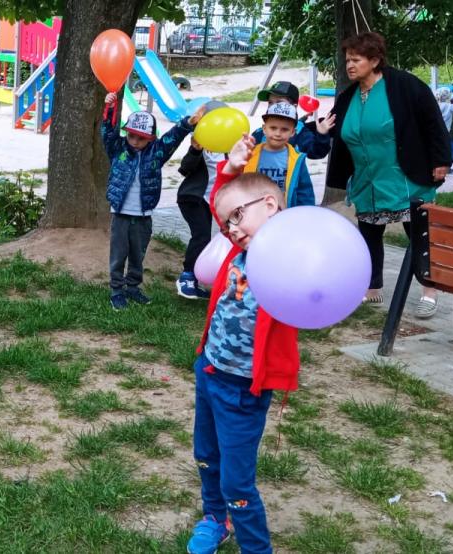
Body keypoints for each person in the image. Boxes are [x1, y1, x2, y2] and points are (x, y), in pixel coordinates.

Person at [185, 173, 300, 554]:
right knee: (206, 456)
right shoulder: (237, 253)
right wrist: (229, 170)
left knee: (237, 484)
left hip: (244, 390)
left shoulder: (288, 261)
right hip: (210, 371)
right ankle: (216, 519)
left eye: (236, 218)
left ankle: (256, 548)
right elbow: (229, 200)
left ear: (270, 206)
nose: (231, 230)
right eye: (226, 225)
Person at [326, 31, 450, 318]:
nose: (350, 65)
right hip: (368, 180)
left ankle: (429, 290)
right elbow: (333, 128)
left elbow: (433, 121)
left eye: (356, 60)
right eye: (347, 60)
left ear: (375, 60)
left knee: (418, 235)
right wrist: (319, 130)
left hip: (405, 177)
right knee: (369, 233)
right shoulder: (348, 97)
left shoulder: (404, 86)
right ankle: (372, 289)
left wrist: (441, 160)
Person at [101, 92, 200, 311]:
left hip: (143, 216)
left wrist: (187, 123)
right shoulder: (117, 149)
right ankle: (116, 291)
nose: (135, 142)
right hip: (120, 215)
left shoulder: (157, 152)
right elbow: (107, 130)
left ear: (152, 138)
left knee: (138, 254)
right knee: (118, 255)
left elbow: (173, 137)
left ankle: (132, 287)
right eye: (131, 136)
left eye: (141, 138)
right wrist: (110, 108)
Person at [214, 102, 315, 208]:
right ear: (264, 128)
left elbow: (305, 191)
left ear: (293, 132)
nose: (278, 134)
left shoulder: (297, 159)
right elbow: (234, 182)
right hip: (253, 211)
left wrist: (305, 213)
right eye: (273, 128)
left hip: (284, 212)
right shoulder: (250, 154)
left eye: (284, 129)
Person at [176, 137, 225, 300]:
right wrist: (195, 150)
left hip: (215, 201)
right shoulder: (202, 146)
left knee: (221, 238)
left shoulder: (229, 149)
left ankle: (200, 280)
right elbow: (184, 169)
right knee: (201, 236)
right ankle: (187, 277)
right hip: (193, 198)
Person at [250, 81, 335, 159]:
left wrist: (322, 134)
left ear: (294, 107)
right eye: (270, 102)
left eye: (279, 102)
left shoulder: (301, 132)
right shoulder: (259, 132)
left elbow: (316, 152)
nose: (273, 106)